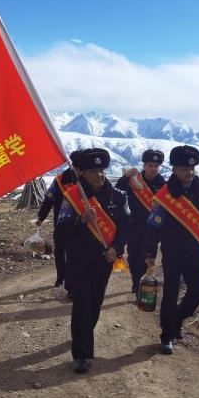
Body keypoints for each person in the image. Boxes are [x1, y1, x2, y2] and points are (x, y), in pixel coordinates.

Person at [144, 145, 199, 355]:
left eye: (192, 168)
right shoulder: (165, 196)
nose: (189, 172)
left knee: (197, 293)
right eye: (183, 168)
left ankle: (176, 320)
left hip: (196, 251)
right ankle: (166, 335)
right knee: (170, 294)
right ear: (174, 169)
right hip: (172, 252)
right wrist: (150, 253)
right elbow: (153, 226)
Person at [57, 148, 130, 373]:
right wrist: (81, 219)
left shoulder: (118, 196)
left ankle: (81, 336)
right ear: (84, 174)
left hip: (103, 261)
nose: (98, 175)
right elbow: (60, 230)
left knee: (95, 304)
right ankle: (82, 354)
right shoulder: (72, 197)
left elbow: (127, 228)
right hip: (78, 260)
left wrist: (116, 249)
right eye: (92, 171)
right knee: (81, 305)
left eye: (101, 170)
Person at [115, 149, 166, 295]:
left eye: (156, 166)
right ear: (144, 165)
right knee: (133, 256)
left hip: (152, 228)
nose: (153, 169)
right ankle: (135, 281)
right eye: (150, 165)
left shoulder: (163, 184)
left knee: (145, 256)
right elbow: (117, 191)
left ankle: (138, 285)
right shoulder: (134, 180)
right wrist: (125, 177)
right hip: (133, 225)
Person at [36, 150, 82, 289]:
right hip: (61, 224)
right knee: (60, 252)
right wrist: (41, 217)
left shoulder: (87, 179)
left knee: (76, 253)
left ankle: (74, 281)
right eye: (78, 167)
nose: (80, 171)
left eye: (82, 168)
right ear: (71, 165)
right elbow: (48, 200)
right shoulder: (59, 180)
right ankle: (60, 278)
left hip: (81, 224)